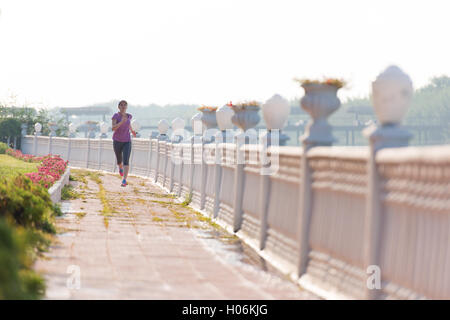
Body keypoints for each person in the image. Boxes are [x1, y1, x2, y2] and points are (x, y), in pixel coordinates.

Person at [111, 100, 136, 187]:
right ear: (118, 107)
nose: (123, 106)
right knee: (119, 160)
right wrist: (121, 122)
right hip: (117, 140)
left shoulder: (129, 116)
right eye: (121, 105)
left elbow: (128, 124)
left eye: (125, 105)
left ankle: (124, 180)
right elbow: (113, 128)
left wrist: (132, 131)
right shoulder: (116, 116)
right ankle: (120, 167)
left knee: (126, 160)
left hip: (127, 141)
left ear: (127, 107)